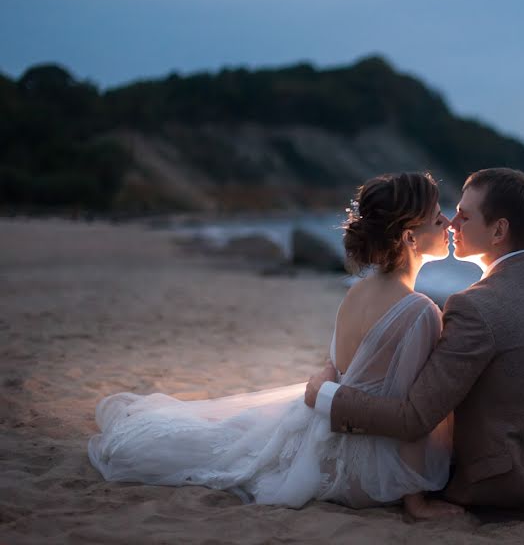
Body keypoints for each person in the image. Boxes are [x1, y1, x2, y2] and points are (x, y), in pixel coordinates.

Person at [88, 172, 462, 519]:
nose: (447, 224)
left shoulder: (356, 292)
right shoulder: (420, 312)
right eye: (437, 218)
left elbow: (339, 367)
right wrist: (416, 499)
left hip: (325, 428)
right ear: (409, 237)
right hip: (367, 460)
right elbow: (412, 415)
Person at [305, 168, 524, 533]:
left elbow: (414, 420)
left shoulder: (474, 307)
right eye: (452, 213)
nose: (452, 223)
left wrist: (325, 395)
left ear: (499, 230)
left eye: (465, 216)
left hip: (518, 482)